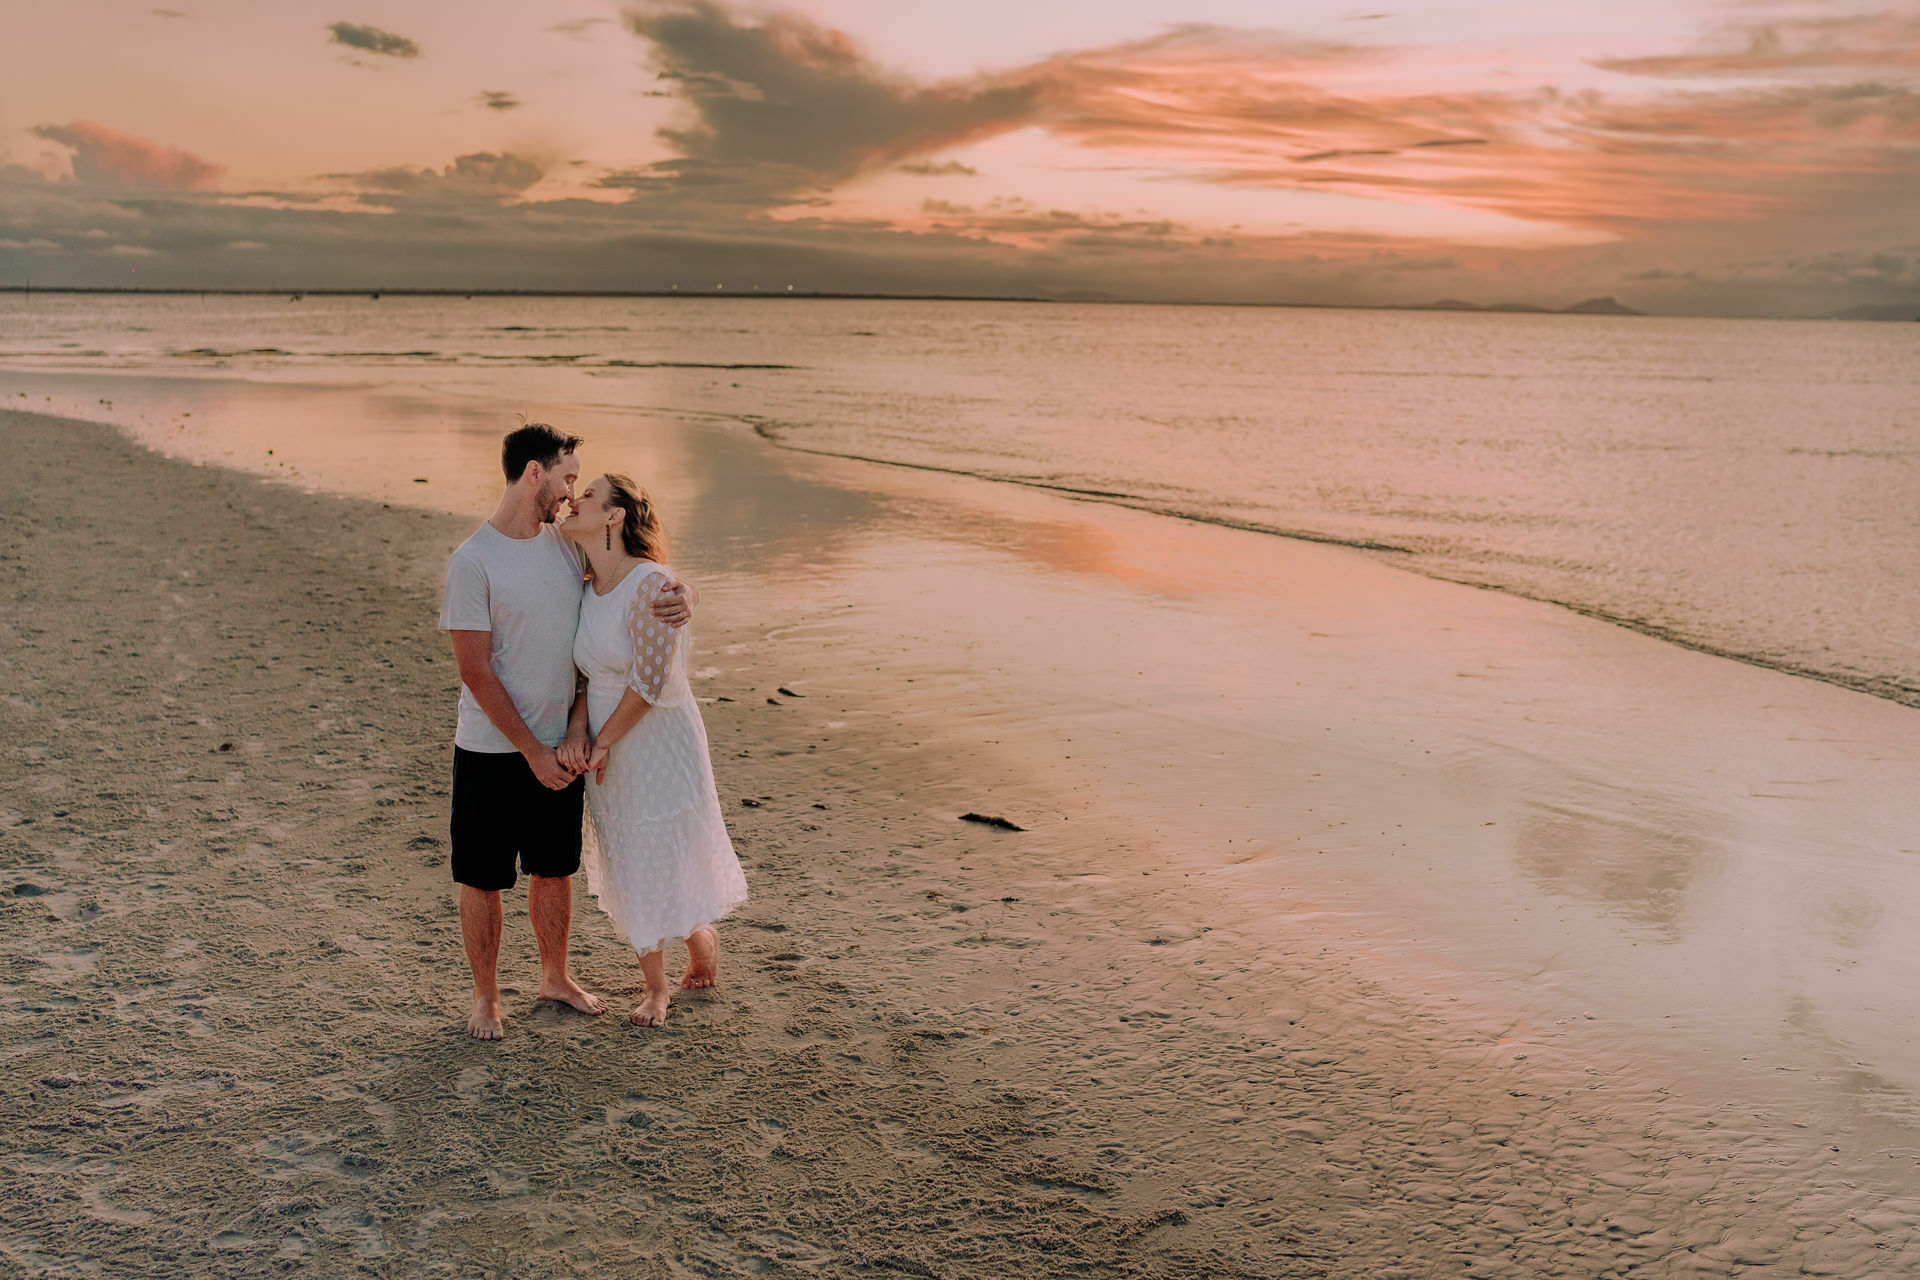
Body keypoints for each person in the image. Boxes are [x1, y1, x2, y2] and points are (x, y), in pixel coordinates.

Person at [439, 424, 694, 1041]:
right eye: (567, 478)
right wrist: (529, 750)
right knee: (483, 877)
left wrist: (683, 596)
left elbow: (626, 576)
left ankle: (555, 976)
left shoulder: (566, 547)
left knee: (553, 870)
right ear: (535, 473)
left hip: (561, 747)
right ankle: (486, 996)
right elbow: (474, 672)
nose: (571, 492)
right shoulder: (472, 561)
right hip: (493, 748)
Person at [559, 472, 747, 1027]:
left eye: (589, 496)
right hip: (604, 738)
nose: (576, 499)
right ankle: (662, 980)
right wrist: (582, 734)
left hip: (657, 737)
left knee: (667, 846)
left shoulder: (654, 586)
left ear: (615, 516)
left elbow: (650, 682)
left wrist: (601, 742)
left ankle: (685, 957)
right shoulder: (587, 585)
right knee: (627, 852)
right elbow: (586, 678)